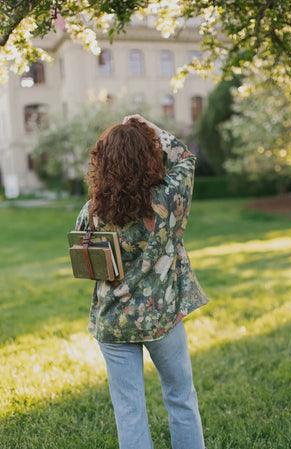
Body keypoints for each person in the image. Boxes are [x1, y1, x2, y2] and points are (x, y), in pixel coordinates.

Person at [75, 115, 209, 449]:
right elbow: (186, 158)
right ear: (149, 157)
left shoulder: (93, 210)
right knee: (180, 398)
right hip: (162, 317)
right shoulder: (166, 201)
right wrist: (151, 127)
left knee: (128, 410)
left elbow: (82, 248)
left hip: (113, 321)